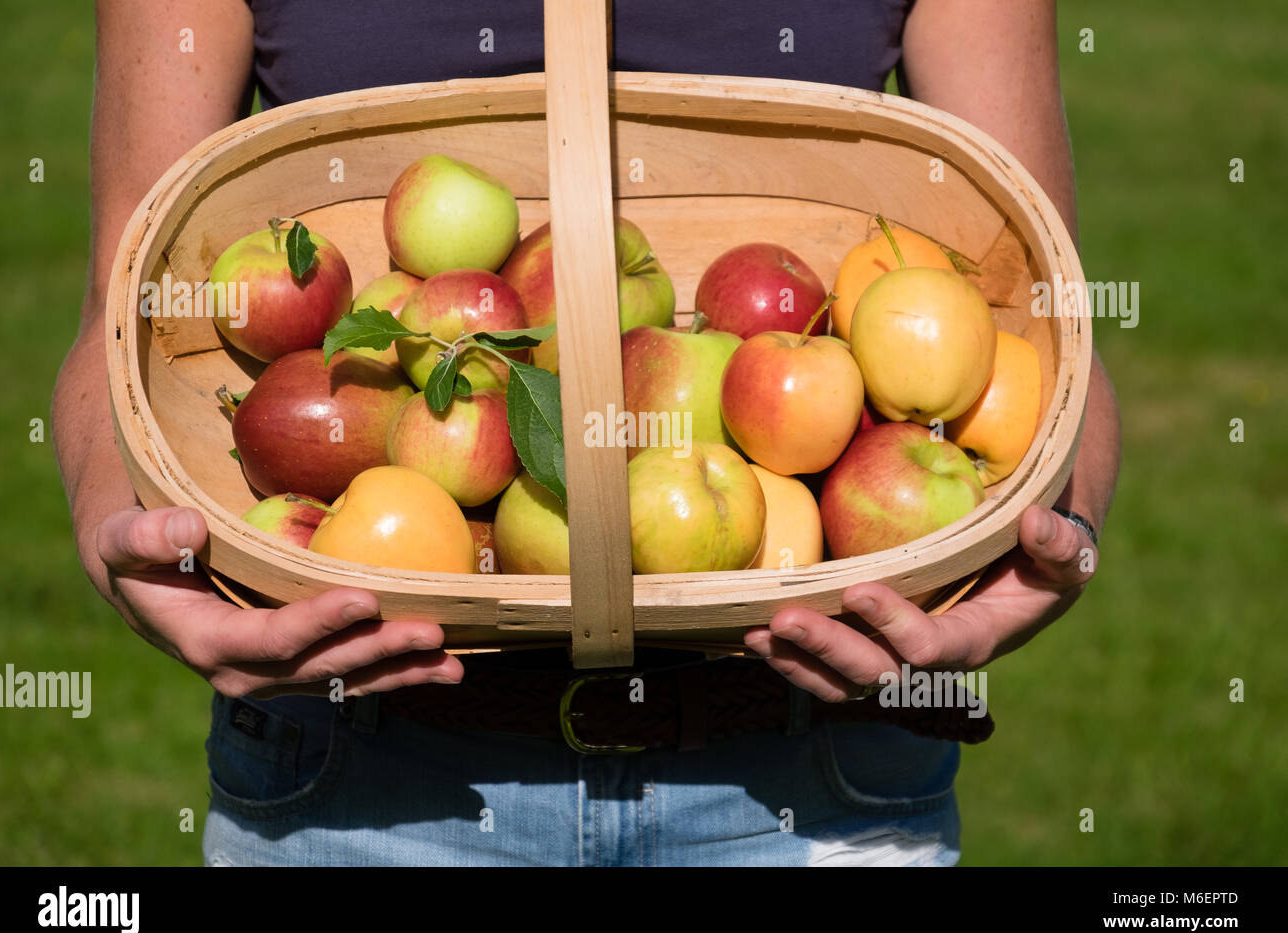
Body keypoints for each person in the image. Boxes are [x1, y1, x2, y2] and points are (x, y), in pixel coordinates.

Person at [54, 0, 1120, 865]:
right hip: (364, 776)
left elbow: (1037, 308)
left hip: (811, 771)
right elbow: (125, 308)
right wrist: (129, 539)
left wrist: (1042, 543)